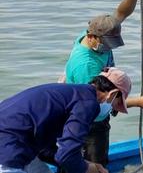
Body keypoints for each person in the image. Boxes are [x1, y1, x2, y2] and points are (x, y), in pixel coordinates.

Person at [64, 0, 143, 167]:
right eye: (107, 44)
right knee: (94, 163)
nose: (109, 48)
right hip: (88, 120)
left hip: (98, 104)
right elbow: (97, 102)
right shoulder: (85, 65)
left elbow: (121, 13)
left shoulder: (95, 34)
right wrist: (137, 102)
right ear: (92, 38)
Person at [0, 68, 132, 173]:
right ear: (113, 94)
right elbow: (67, 155)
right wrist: (86, 169)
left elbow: (45, 151)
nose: (110, 110)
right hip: (9, 148)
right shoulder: (88, 103)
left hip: (19, 140)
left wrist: (85, 164)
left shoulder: (71, 93)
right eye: (114, 107)